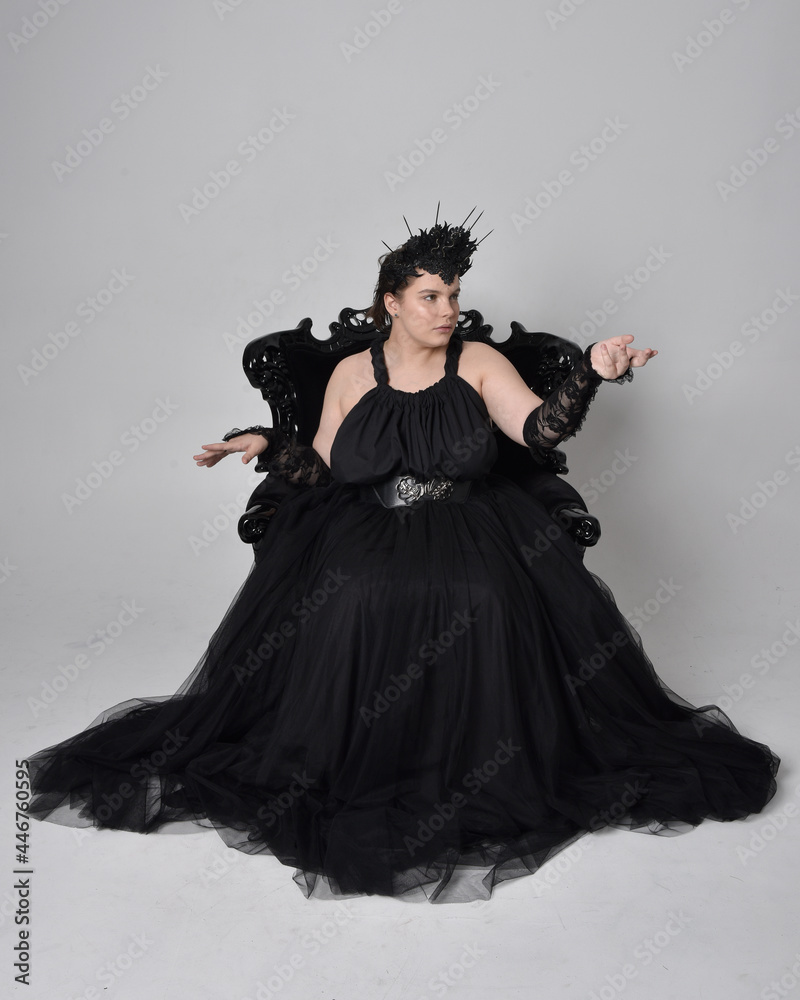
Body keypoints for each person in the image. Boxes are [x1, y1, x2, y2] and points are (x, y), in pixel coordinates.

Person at [25, 209, 779, 904]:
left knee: (486, 595)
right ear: (391, 302)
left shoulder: (478, 361)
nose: (448, 309)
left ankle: (485, 760)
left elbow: (539, 432)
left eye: (454, 294)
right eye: (430, 296)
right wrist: (266, 443)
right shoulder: (353, 373)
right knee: (353, 592)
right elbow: (323, 467)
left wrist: (591, 373)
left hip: (473, 519)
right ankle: (356, 757)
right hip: (369, 522)